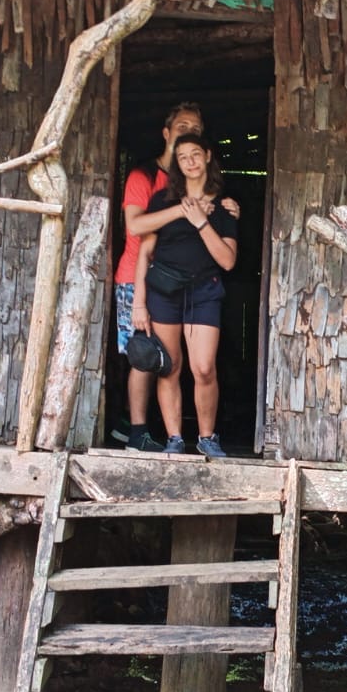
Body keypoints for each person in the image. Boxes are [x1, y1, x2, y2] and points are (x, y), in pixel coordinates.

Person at [113, 103, 236, 451]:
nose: (190, 160)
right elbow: (140, 240)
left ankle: (206, 439)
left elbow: (228, 260)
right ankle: (160, 437)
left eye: (196, 152)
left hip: (202, 291)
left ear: (207, 155)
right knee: (159, 364)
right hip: (157, 287)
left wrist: (201, 218)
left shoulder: (223, 204)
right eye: (183, 156)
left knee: (202, 367)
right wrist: (139, 301)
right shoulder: (155, 191)